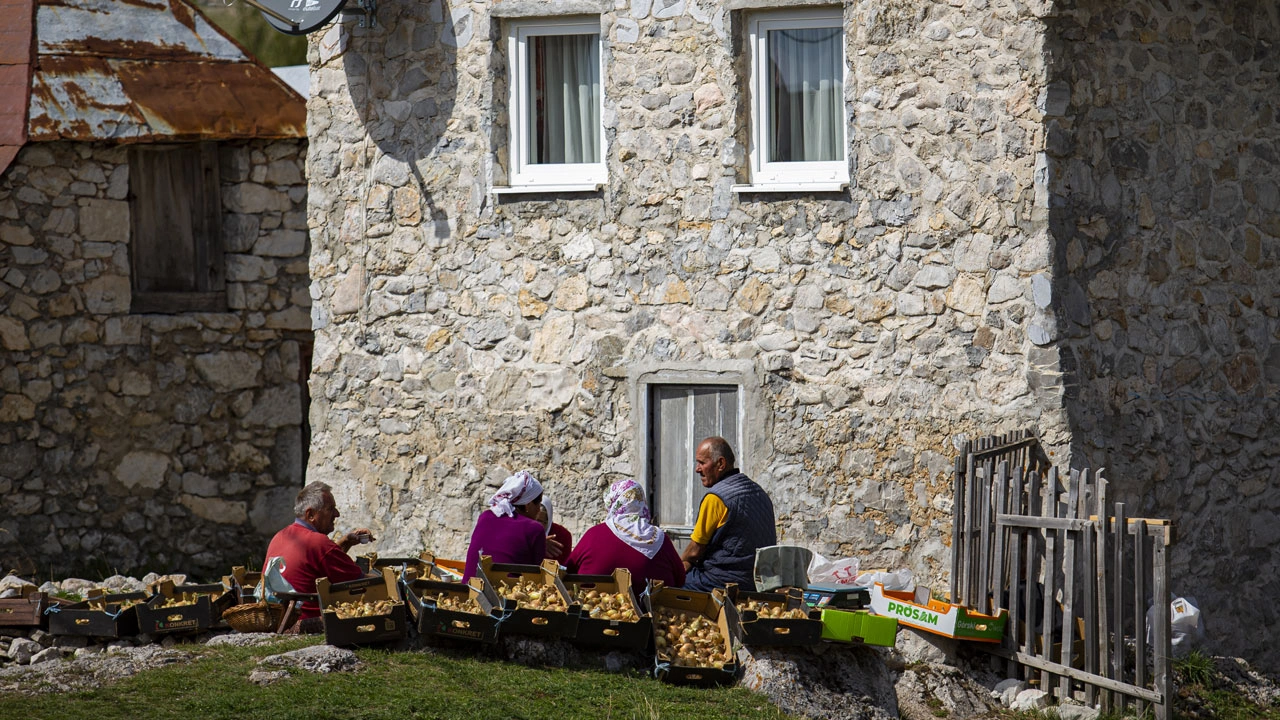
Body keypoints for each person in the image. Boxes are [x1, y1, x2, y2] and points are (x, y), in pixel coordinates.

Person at [262, 481, 372, 630]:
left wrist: (345, 542)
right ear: (311, 514)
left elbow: (320, 562)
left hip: (280, 620)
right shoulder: (318, 542)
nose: (337, 514)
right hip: (307, 622)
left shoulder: (281, 536)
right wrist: (392, 581)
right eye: (330, 509)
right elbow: (366, 584)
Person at [681, 436, 776, 592]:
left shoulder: (716, 498)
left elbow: (694, 552)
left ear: (721, 464)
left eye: (702, 463)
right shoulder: (759, 492)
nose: (697, 469)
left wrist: (676, 567)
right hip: (759, 582)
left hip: (721, 581)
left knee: (668, 584)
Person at [565, 478, 685, 594]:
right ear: (642, 502)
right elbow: (680, 579)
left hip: (593, 603)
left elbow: (568, 572)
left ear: (613, 503)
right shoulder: (660, 539)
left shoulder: (593, 535)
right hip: (651, 607)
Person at [462, 470, 548, 581]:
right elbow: (537, 576)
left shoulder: (486, 516)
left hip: (469, 587)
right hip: (502, 590)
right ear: (528, 504)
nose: (539, 510)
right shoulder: (534, 529)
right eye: (538, 504)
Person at [538, 498, 573, 563]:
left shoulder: (562, 535)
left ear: (548, 520)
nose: (533, 524)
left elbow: (564, 564)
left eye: (539, 521)